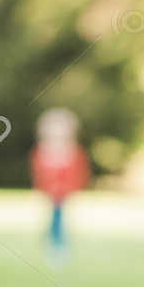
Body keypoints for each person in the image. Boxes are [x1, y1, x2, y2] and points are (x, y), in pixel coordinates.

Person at [30, 107, 89, 263]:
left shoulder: (73, 151)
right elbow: (39, 173)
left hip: (64, 194)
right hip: (50, 194)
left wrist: (69, 188)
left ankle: (58, 244)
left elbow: (78, 173)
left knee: (59, 218)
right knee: (54, 218)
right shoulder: (42, 151)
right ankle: (54, 244)